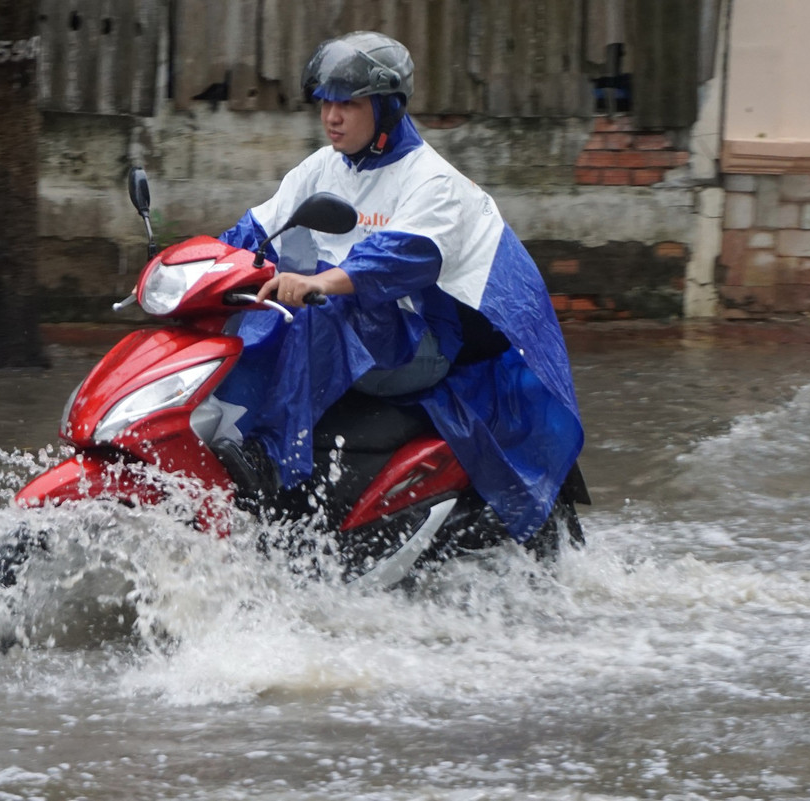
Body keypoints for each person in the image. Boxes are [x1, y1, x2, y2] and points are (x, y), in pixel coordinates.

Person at [212, 31, 584, 542]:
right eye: (325, 102)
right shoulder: (323, 168)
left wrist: (319, 280)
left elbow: (396, 259)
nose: (331, 117)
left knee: (315, 308)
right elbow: (251, 233)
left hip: (421, 341)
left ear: (386, 108)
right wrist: (193, 267)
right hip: (362, 325)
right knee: (255, 309)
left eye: (348, 103)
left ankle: (267, 458)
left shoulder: (432, 182)